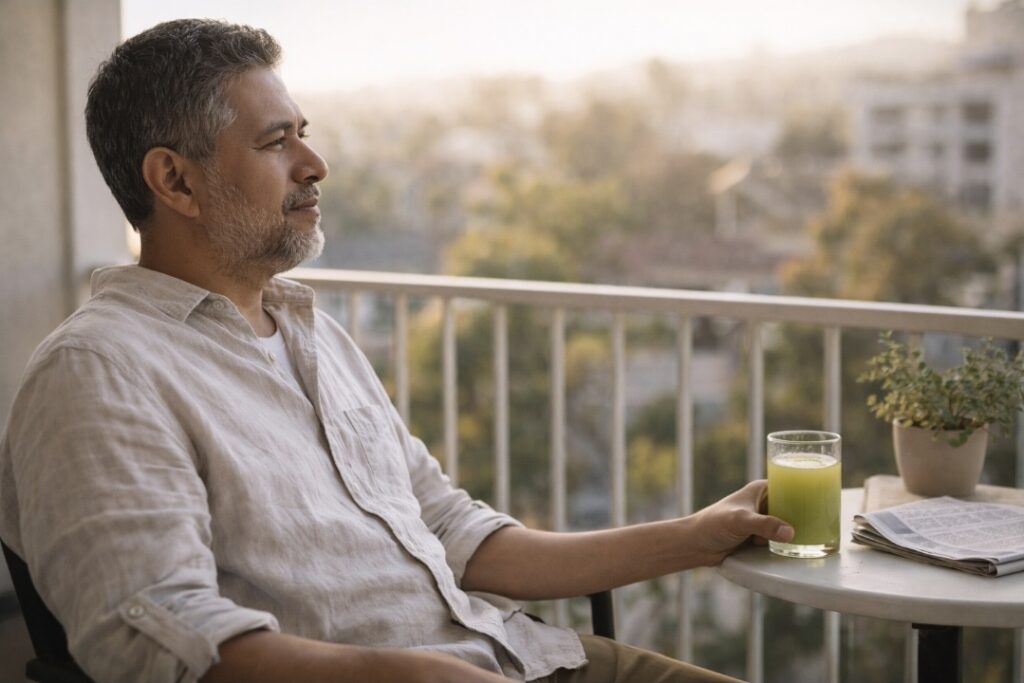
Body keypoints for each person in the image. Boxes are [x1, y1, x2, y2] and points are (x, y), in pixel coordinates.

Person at [0, 19, 794, 683]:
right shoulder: (98, 373)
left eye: (303, 134)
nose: (314, 164)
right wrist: (405, 673)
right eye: (276, 142)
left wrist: (692, 535)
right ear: (174, 180)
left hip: (518, 654)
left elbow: (453, 530)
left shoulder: (311, 332)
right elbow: (154, 636)